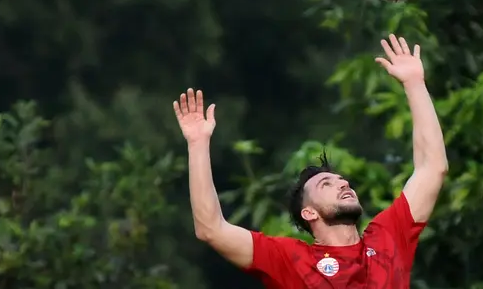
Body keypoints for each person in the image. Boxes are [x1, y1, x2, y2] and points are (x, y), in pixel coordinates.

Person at [173, 34, 447, 288]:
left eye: (342, 180)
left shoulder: (387, 239)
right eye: (327, 183)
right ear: (309, 213)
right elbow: (211, 229)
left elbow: (432, 168)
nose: (343, 184)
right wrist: (198, 145)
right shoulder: (289, 259)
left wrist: (414, 84)